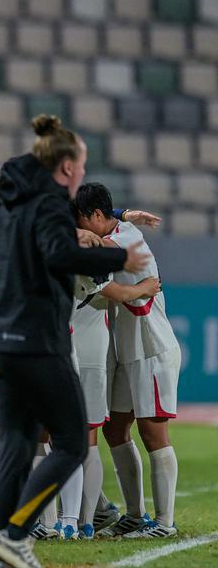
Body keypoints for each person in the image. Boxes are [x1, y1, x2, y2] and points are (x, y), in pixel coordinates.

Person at [0, 115, 147, 568]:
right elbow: (58, 253)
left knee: (15, 442)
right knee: (73, 442)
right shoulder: (52, 205)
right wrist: (117, 257)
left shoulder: (11, 207)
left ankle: (5, 559)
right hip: (36, 341)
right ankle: (14, 537)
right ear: (68, 167)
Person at [73, 183, 181, 539]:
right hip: (126, 349)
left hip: (151, 347)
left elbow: (94, 253)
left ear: (96, 216)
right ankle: (136, 515)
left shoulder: (124, 240)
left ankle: (164, 523)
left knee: (153, 433)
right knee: (114, 428)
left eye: (82, 220)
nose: (81, 228)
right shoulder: (117, 226)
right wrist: (122, 212)